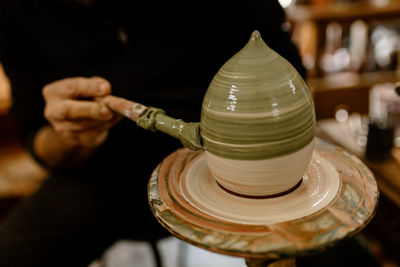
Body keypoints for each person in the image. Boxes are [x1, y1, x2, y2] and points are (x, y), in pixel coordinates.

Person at [1, 1, 379, 267]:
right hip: (105, 173)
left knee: (343, 256)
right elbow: (38, 139)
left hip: (242, 166)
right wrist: (70, 137)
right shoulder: (15, 11)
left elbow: (290, 67)